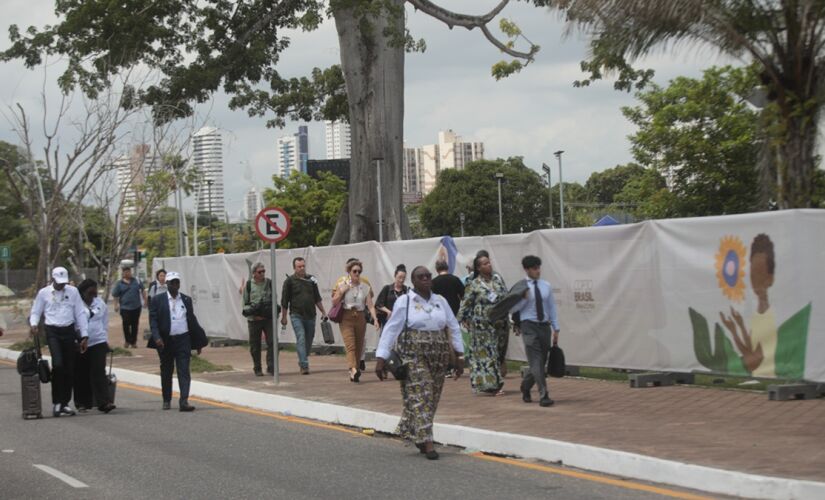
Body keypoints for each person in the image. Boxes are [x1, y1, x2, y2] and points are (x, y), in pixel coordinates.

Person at [375, 265, 464, 460]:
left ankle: (418, 433)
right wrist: (381, 359)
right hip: (414, 356)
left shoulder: (440, 301)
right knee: (422, 394)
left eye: (428, 276)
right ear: (413, 281)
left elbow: (454, 327)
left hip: (439, 356)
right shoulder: (404, 302)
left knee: (432, 396)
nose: (425, 279)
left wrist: (459, 356)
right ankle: (428, 441)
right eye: (420, 277)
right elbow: (391, 329)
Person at [29, 266, 89, 417]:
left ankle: (65, 403)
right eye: (59, 282)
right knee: (58, 365)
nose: (62, 285)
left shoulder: (73, 292)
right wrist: (34, 324)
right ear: (52, 279)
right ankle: (56, 402)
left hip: (68, 331)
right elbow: (36, 311)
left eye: (64, 282)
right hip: (53, 331)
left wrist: (84, 335)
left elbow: (80, 313)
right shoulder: (44, 293)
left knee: (69, 368)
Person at [147, 271, 208, 411]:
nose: (175, 285)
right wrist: (157, 337)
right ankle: (166, 399)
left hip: (183, 339)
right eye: (172, 282)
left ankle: (184, 401)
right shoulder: (158, 300)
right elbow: (153, 321)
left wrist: (198, 343)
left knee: (184, 370)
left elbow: (192, 321)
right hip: (165, 341)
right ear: (167, 284)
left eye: (177, 282)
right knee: (167, 371)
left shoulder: (186, 300)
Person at [509, 255, 560, 407]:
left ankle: (525, 386)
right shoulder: (521, 287)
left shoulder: (546, 286)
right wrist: (523, 299)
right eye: (534, 268)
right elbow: (512, 308)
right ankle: (544, 394)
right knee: (536, 360)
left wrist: (556, 327)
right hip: (528, 326)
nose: (538, 271)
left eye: (539, 267)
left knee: (540, 361)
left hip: (544, 326)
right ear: (526, 270)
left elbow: (551, 307)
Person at [458, 254, 510, 395]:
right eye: (485, 263)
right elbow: (466, 303)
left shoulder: (497, 281)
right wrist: (460, 319)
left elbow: (506, 298)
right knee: (488, 356)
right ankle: (494, 386)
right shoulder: (474, 284)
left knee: (497, 354)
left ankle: (487, 385)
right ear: (479, 268)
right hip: (482, 327)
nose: (489, 265)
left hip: (499, 325)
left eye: (489, 262)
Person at [332, 259, 379, 382]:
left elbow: (370, 305)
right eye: (354, 271)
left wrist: (375, 319)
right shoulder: (342, 283)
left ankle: (355, 370)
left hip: (360, 316)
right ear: (349, 272)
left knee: (359, 346)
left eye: (359, 271)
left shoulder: (365, 286)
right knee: (350, 345)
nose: (357, 274)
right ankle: (353, 369)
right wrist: (342, 290)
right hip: (346, 316)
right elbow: (334, 301)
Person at [74, 279, 116, 413]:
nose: (93, 293)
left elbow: (104, 322)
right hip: (80, 342)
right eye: (90, 291)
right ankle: (82, 402)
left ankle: (104, 402)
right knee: (82, 372)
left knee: (99, 371)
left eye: (95, 290)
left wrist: (105, 339)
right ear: (83, 291)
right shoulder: (76, 304)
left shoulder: (100, 303)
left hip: (98, 341)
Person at [281, 257, 327, 375]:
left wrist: (323, 311)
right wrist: (284, 317)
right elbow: (285, 301)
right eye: (299, 266)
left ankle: (303, 358)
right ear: (294, 268)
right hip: (296, 315)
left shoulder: (311, 279)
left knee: (308, 340)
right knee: (301, 338)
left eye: (303, 266)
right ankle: (304, 365)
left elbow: (317, 298)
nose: (302, 268)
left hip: (311, 315)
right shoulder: (289, 281)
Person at [242, 262, 275, 376]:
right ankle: (257, 368)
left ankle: (271, 367)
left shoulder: (269, 283)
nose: (262, 274)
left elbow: (274, 299)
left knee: (273, 342)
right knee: (255, 346)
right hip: (254, 320)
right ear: (254, 273)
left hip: (268, 319)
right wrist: (253, 314)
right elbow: (245, 304)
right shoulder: (249, 285)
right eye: (260, 272)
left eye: (264, 271)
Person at [112, 264, 147, 348]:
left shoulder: (136, 281)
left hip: (136, 307)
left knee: (135, 325)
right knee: (126, 324)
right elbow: (115, 295)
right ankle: (127, 341)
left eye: (129, 271)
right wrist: (116, 305)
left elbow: (143, 290)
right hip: (125, 308)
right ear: (123, 273)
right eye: (125, 272)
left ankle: (133, 342)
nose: (127, 273)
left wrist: (145, 300)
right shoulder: (119, 283)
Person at [375, 264, 408, 329]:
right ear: (395, 276)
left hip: (401, 321)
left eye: (404, 278)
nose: (401, 280)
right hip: (388, 320)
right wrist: (388, 312)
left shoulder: (406, 290)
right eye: (400, 277)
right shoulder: (387, 288)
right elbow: (378, 304)